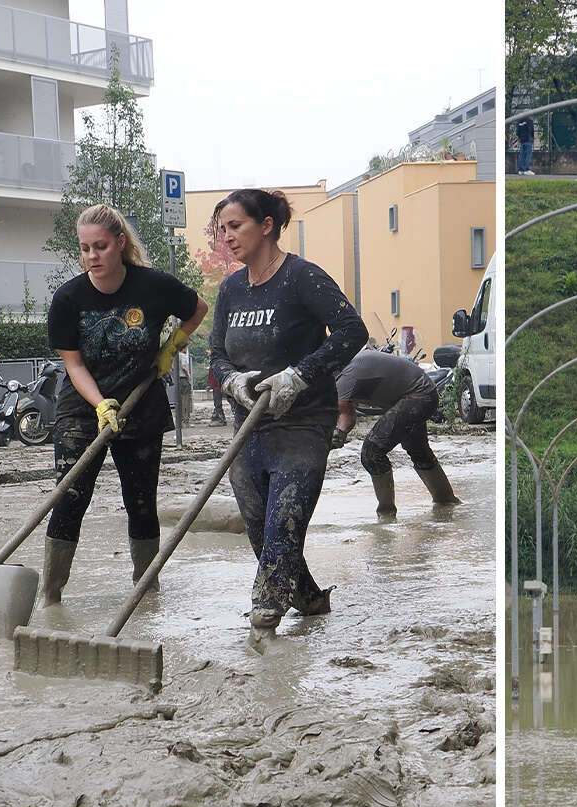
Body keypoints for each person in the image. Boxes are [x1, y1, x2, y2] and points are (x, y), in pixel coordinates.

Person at [207, 188, 365, 644]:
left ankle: (264, 624)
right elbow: (217, 353)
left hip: (302, 423)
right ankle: (310, 599)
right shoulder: (231, 290)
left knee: (283, 520)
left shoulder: (302, 279)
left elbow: (353, 330)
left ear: (267, 225)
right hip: (250, 427)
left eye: (235, 226)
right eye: (222, 230)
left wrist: (300, 373)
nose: (227, 237)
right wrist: (231, 380)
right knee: (260, 527)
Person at [42, 204, 207, 604]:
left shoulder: (153, 286)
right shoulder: (68, 299)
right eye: (84, 248)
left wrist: (171, 347)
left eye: (100, 246)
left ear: (119, 244)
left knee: (140, 501)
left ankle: (146, 592)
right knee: (70, 497)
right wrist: (100, 404)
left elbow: (197, 309)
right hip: (83, 409)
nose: (92, 256)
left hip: (141, 404)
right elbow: (74, 364)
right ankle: (50, 595)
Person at [333, 347, 461, 518]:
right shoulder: (346, 362)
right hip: (422, 392)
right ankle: (446, 502)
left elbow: (347, 416)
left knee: (371, 452)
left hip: (418, 396)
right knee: (418, 451)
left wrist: (338, 435)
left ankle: (386, 515)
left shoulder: (345, 375)